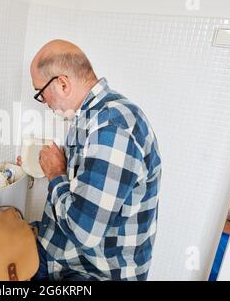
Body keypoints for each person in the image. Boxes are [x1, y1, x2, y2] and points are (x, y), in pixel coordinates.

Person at [17, 39, 162, 281]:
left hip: (93, 272)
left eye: (41, 94)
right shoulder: (93, 114)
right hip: (66, 254)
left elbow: (84, 231)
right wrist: (52, 166)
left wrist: (55, 173)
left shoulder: (112, 127)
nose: (46, 104)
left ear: (62, 84)